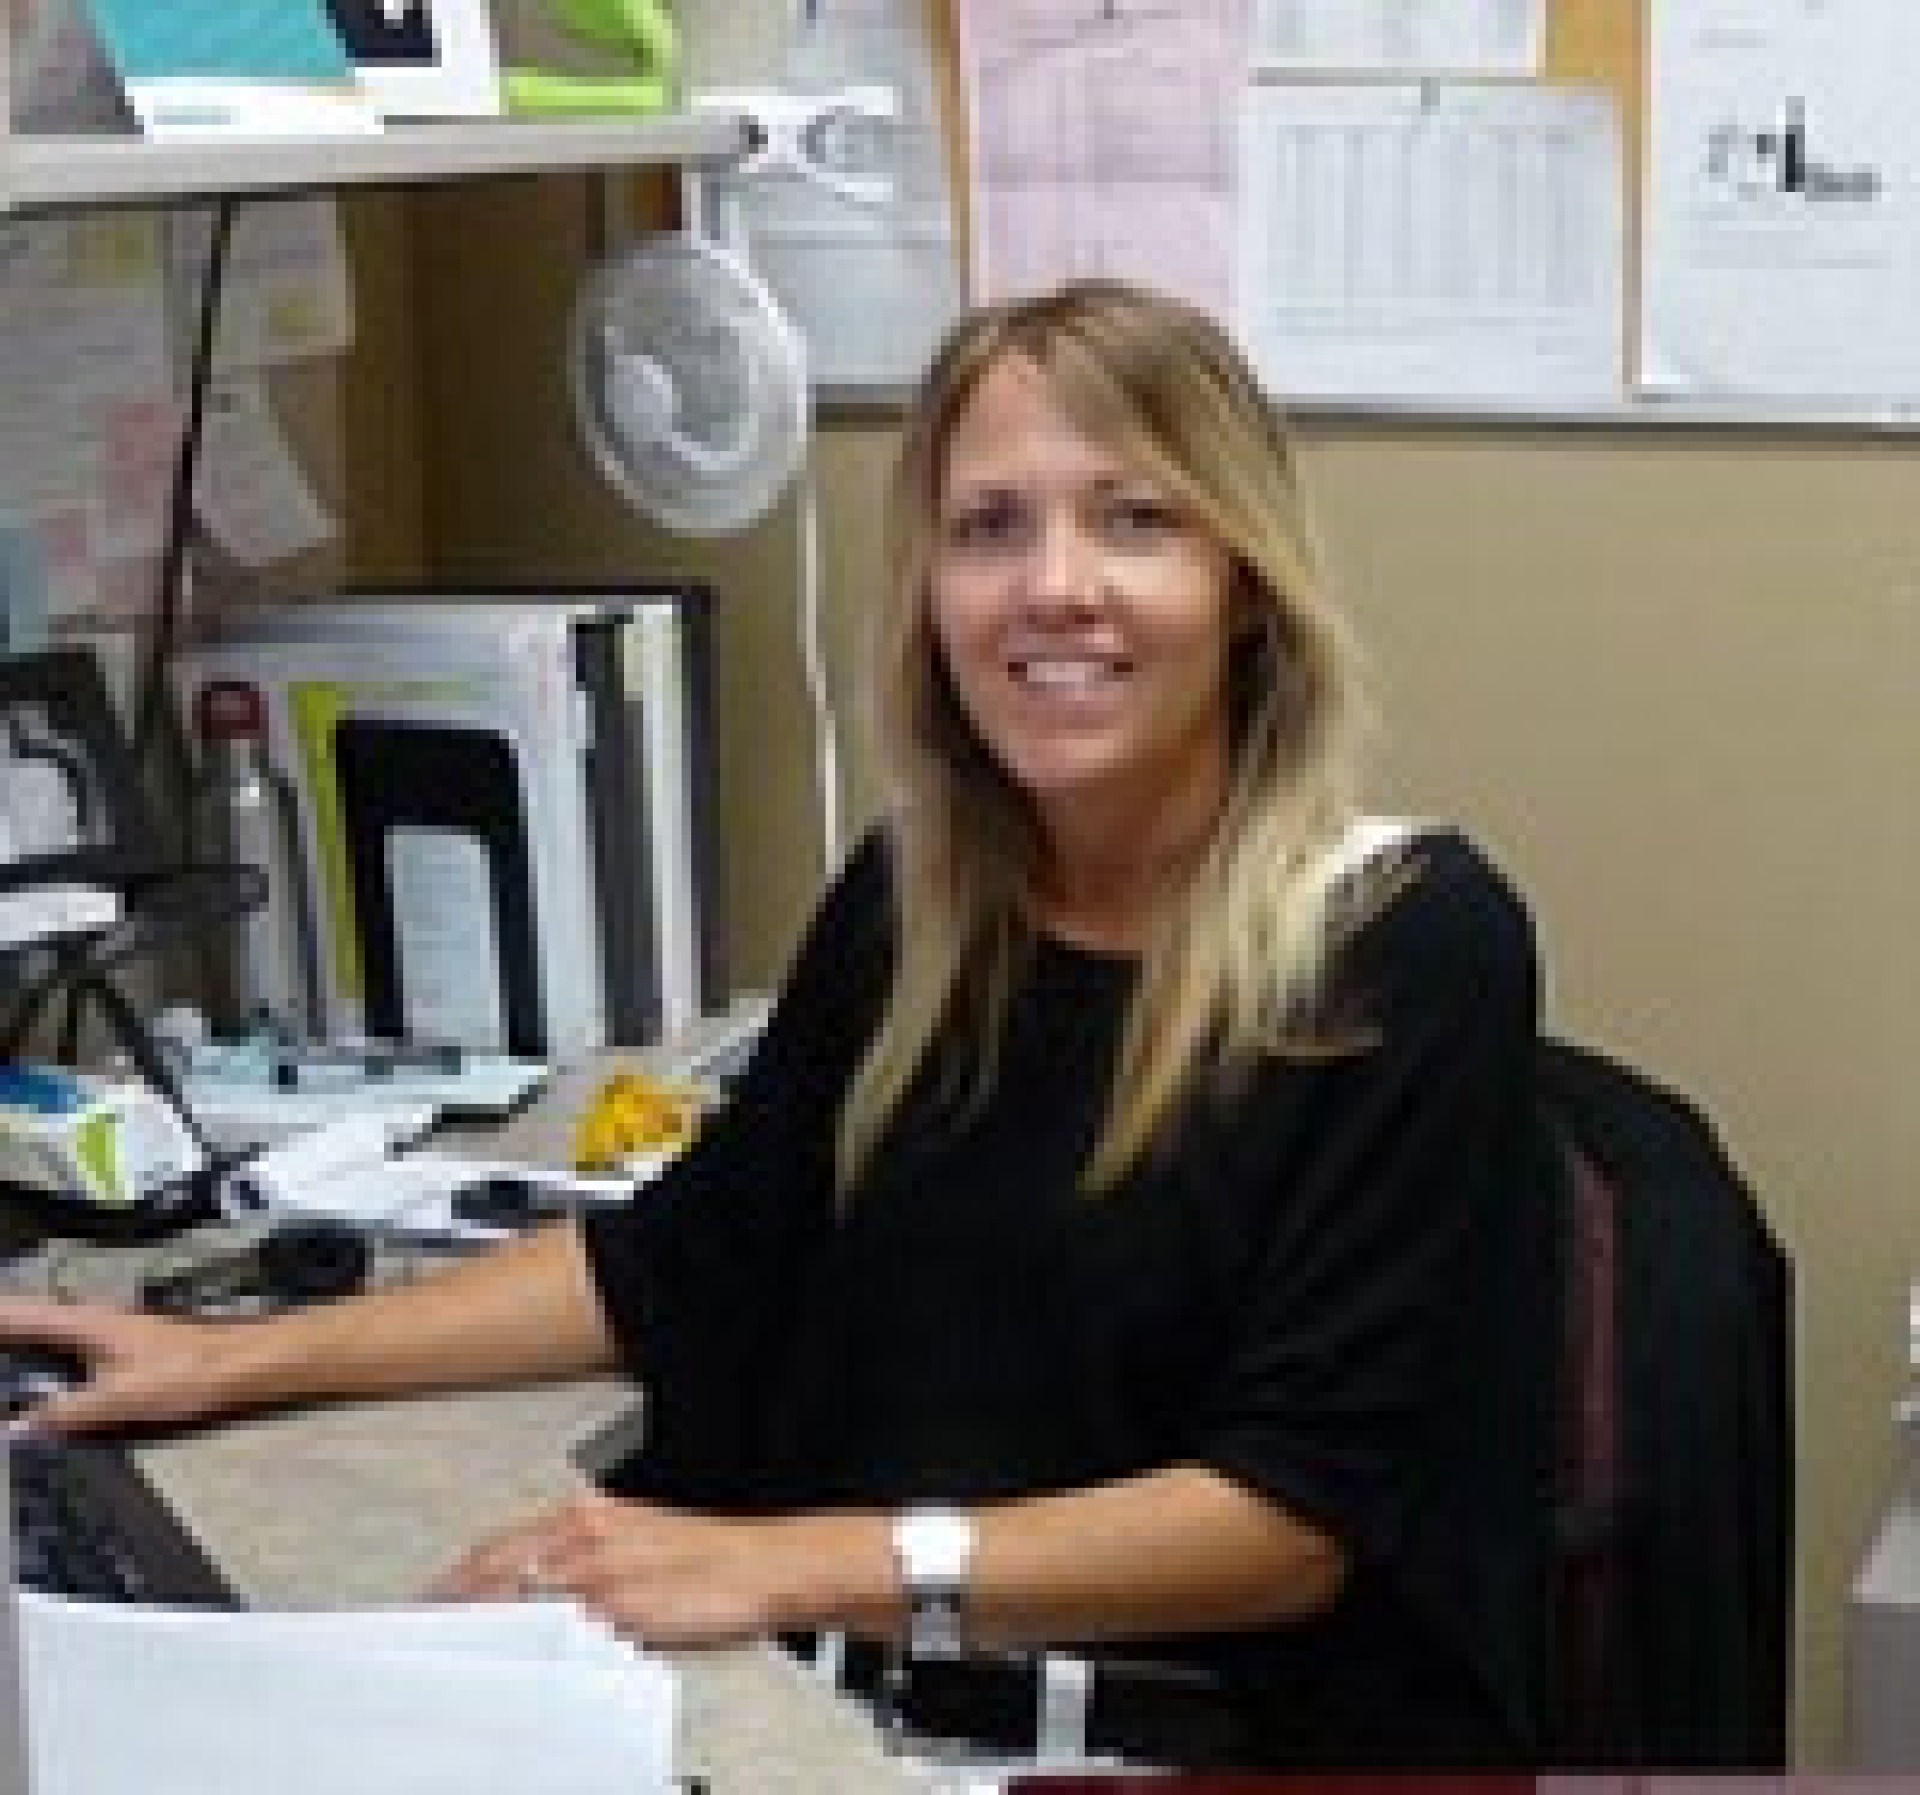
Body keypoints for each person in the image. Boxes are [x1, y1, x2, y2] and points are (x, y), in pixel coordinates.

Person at [0, 281, 1558, 1769]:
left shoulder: (1405, 944)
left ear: (1246, 585)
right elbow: (678, 1265)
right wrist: (241, 1363)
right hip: (853, 1692)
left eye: (1137, 519)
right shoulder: (915, 908)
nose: (1055, 585)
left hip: (1180, 1731)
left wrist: (781, 1565)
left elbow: (1284, 1525)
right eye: (988, 527)